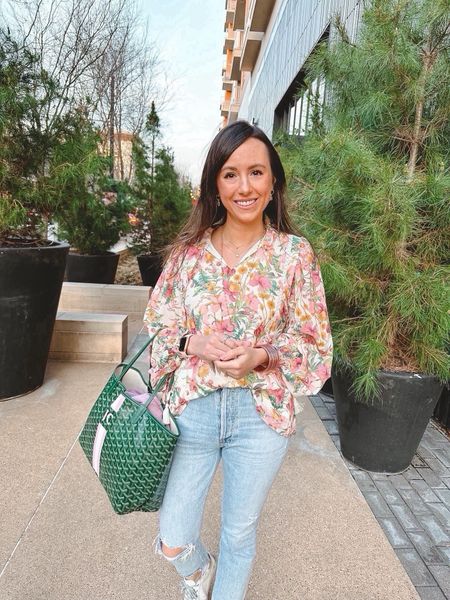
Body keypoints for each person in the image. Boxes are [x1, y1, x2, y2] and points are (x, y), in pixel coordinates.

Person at [144, 120, 333, 599]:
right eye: (230, 174)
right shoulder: (188, 254)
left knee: (239, 533)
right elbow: (159, 322)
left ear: (272, 183)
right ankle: (197, 570)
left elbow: (314, 341)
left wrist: (262, 355)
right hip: (196, 408)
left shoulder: (294, 255)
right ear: (215, 183)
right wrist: (196, 343)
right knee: (173, 536)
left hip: (260, 414)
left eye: (255, 172)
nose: (243, 186)